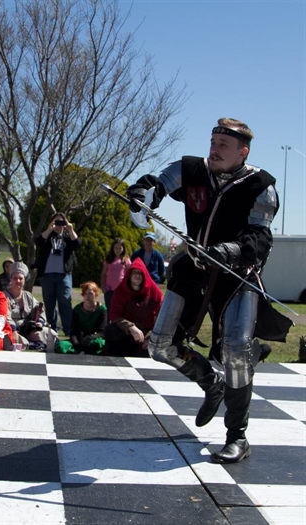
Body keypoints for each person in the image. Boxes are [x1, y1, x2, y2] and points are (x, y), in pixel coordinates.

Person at [126, 117, 292, 464]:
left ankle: (238, 436)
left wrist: (229, 251)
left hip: (237, 273)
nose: (214, 149)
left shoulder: (261, 185)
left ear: (242, 152)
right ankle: (209, 382)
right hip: (194, 267)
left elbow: (260, 239)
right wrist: (141, 198)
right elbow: (156, 183)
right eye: (213, 141)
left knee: (235, 349)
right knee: (159, 346)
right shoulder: (191, 169)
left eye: (223, 145)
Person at [103, 259, 163, 357]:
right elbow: (114, 315)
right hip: (127, 332)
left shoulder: (155, 292)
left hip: (146, 334)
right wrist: (131, 327)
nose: (137, 275)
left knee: (149, 352)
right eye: (134, 272)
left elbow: (162, 318)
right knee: (111, 330)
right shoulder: (120, 291)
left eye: (140, 273)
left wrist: (151, 337)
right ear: (129, 275)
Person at [34, 212, 80, 336]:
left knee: (65, 300)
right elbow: (38, 241)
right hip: (47, 275)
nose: (59, 225)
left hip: (64, 275)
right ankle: (52, 328)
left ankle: (68, 329)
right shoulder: (48, 236)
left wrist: (70, 229)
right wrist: (49, 229)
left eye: (61, 222)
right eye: (56, 222)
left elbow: (77, 244)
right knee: (49, 302)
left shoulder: (67, 236)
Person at [4, 262, 56, 351]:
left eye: (21, 278)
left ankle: (36, 344)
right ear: (11, 279)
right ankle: (32, 344)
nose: (18, 281)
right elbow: (5, 316)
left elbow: (39, 311)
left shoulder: (28, 295)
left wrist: (39, 322)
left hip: (29, 329)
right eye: (15, 278)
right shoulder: (3, 296)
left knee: (51, 334)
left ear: (24, 280)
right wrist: (14, 329)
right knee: (18, 341)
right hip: (13, 329)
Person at [60, 281, 107, 354]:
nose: (87, 296)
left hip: (94, 339)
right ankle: (80, 350)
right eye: (85, 294)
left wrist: (90, 338)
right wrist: (76, 344)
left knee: (100, 344)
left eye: (90, 294)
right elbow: (74, 331)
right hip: (80, 339)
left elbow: (102, 332)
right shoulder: (77, 310)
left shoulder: (102, 310)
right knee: (61, 346)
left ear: (96, 294)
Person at [101, 238, 131, 316]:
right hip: (109, 289)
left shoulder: (126, 260)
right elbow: (103, 273)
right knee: (109, 309)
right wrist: (103, 286)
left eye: (120, 248)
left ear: (123, 249)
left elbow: (129, 275)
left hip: (121, 289)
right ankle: (109, 326)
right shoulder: (109, 259)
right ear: (113, 248)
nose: (117, 250)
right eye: (116, 248)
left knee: (120, 309)